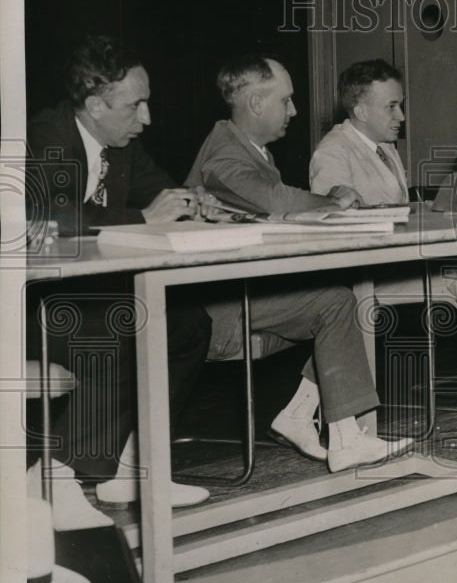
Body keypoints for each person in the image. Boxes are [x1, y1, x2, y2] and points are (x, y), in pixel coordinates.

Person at [184, 54, 412, 472]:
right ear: (255, 103)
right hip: (215, 309)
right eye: (285, 100)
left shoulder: (251, 150)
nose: (294, 110)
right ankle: (346, 440)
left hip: (241, 290)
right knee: (337, 303)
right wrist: (332, 201)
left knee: (337, 304)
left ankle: (302, 417)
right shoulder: (225, 156)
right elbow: (273, 201)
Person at [26, 34, 211, 526]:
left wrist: (196, 202)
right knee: (124, 325)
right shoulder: (46, 134)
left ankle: (133, 466)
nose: (147, 118)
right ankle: (53, 474)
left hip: (82, 293)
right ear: (94, 104)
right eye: (136, 105)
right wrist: (145, 218)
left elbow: (164, 191)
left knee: (188, 324)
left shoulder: (123, 145)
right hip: (30, 303)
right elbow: (58, 219)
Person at [310, 59, 457, 392]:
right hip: (365, 276)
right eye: (392, 107)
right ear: (361, 110)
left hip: (400, 263)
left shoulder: (385, 149)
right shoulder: (333, 151)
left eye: (401, 105)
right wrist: (342, 200)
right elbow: (330, 214)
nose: (402, 117)